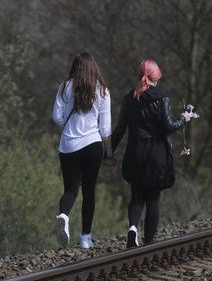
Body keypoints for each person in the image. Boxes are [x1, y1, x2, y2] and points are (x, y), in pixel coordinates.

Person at [112, 59, 192, 247]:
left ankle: (133, 227)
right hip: (157, 154)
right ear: (157, 77)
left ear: (140, 75)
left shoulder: (129, 98)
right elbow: (168, 126)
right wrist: (184, 118)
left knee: (136, 195)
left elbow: (119, 130)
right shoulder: (162, 98)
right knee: (153, 198)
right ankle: (148, 244)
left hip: (135, 152)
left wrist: (109, 153)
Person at [52, 52, 113, 249]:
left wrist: (69, 127)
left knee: (71, 189)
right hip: (93, 145)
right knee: (89, 191)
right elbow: (105, 128)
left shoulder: (65, 86)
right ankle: (85, 238)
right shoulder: (103, 90)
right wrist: (109, 153)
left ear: (75, 67)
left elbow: (57, 117)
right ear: (93, 67)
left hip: (69, 146)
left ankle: (63, 215)